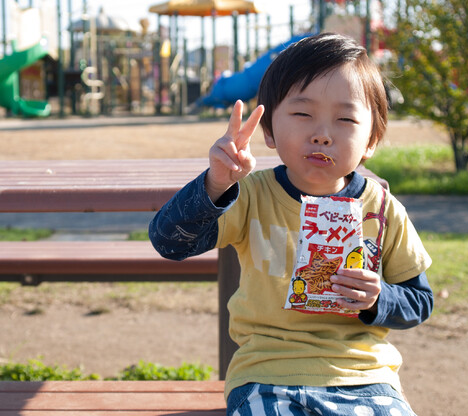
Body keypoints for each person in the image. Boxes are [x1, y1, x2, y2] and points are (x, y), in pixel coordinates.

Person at [149, 33, 433, 416]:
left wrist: (378, 298)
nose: (322, 134)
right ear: (268, 130)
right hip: (267, 372)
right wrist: (216, 184)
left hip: (363, 375)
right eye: (302, 114)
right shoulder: (250, 196)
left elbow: (420, 300)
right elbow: (169, 242)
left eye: (345, 119)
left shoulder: (382, 209)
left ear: (371, 140)